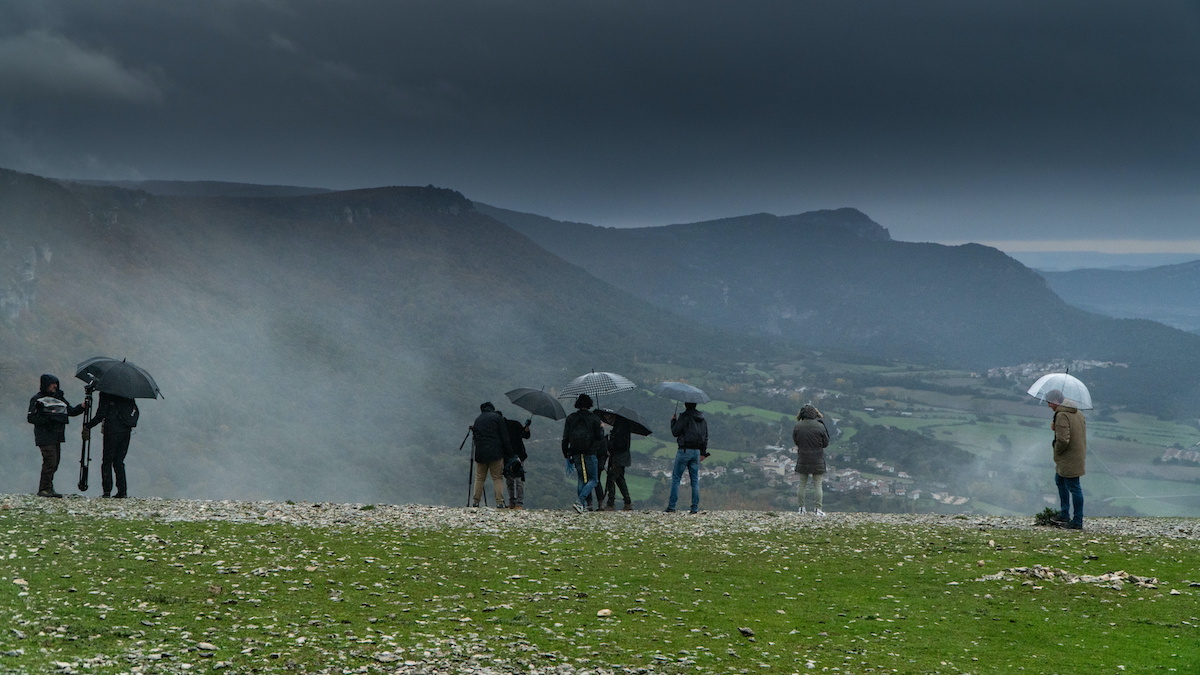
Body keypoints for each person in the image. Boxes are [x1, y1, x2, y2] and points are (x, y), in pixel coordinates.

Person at [27, 374, 88, 498]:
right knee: (50, 460)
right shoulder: (38, 399)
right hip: (44, 435)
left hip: (57, 435)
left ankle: (48, 487)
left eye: (56, 383)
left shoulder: (59, 398)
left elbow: (69, 411)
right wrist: (48, 420)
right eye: (52, 384)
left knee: (55, 462)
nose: (55, 386)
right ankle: (44, 489)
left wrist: (81, 407)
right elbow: (31, 417)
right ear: (45, 385)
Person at [84, 392, 140, 498]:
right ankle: (122, 491)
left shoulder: (106, 392)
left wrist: (88, 425)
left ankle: (107, 491)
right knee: (119, 462)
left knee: (107, 461)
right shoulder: (128, 393)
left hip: (111, 430)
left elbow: (101, 414)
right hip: (125, 431)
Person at [1045, 389, 1086, 529]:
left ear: (1056, 401)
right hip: (1077, 454)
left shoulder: (1062, 415)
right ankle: (1064, 514)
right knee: (1060, 481)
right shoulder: (1078, 413)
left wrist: (1056, 450)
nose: (1049, 405)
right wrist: (1055, 428)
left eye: (1049, 402)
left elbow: (1063, 440)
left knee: (1074, 487)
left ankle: (1076, 521)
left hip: (1068, 456)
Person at [561, 394, 604, 514]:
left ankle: (582, 505)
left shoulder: (570, 418)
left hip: (575, 452)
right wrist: (601, 427)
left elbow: (565, 437)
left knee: (581, 479)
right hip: (589, 452)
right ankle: (579, 501)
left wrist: (566, 453)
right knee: (594, 479)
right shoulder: (594, 418)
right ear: (589, 404)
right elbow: (599, 436)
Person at [666, 401, 708, 514]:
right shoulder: (702, 418)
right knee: (695, 481)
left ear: (686, 405)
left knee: (676, 479)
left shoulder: (684, 417)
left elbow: (675, 432)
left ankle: (671, 506)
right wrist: (703, 453)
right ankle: (694, 508)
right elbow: (705, 437)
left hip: (684, 450)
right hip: (696, 452)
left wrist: (673, 421)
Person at [470, 402, 513, 508]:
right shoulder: (497, 418)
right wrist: (510, 454)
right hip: (496, 453)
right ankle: (499, 502)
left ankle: (476, 502)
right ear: (492, 408)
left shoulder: (478, 420)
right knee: (497, 478)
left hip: (480, 453)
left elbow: (475, 438)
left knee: (479, 478)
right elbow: (505, 437)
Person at [792, 404, 830, 516]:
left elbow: (796, 441)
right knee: (817, 484)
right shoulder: (820, 426)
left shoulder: (798, 426)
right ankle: (818, 509)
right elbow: (825, 443)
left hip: (803, 458)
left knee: (802, 484)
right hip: (817, 459)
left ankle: (801, 508)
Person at [601, 410, 634, 511]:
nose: (607, 420)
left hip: (619, 457)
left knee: (611, 478)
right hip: (621, 457)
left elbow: (620, 444)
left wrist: (610, 443)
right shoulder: (621, 425)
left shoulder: (620, 427)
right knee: (619, 479)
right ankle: (627, 502)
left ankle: (611, 503)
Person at [503, 415, 531, 509]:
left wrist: (526, 429)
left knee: (510, 480)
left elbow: (525, 435)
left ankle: (515, 503)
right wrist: (526, 429)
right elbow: (525, 435)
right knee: (518, 480)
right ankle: (518, 503)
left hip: (510, 456)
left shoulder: (501, 428)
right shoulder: (515, 423)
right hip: (519, 455)